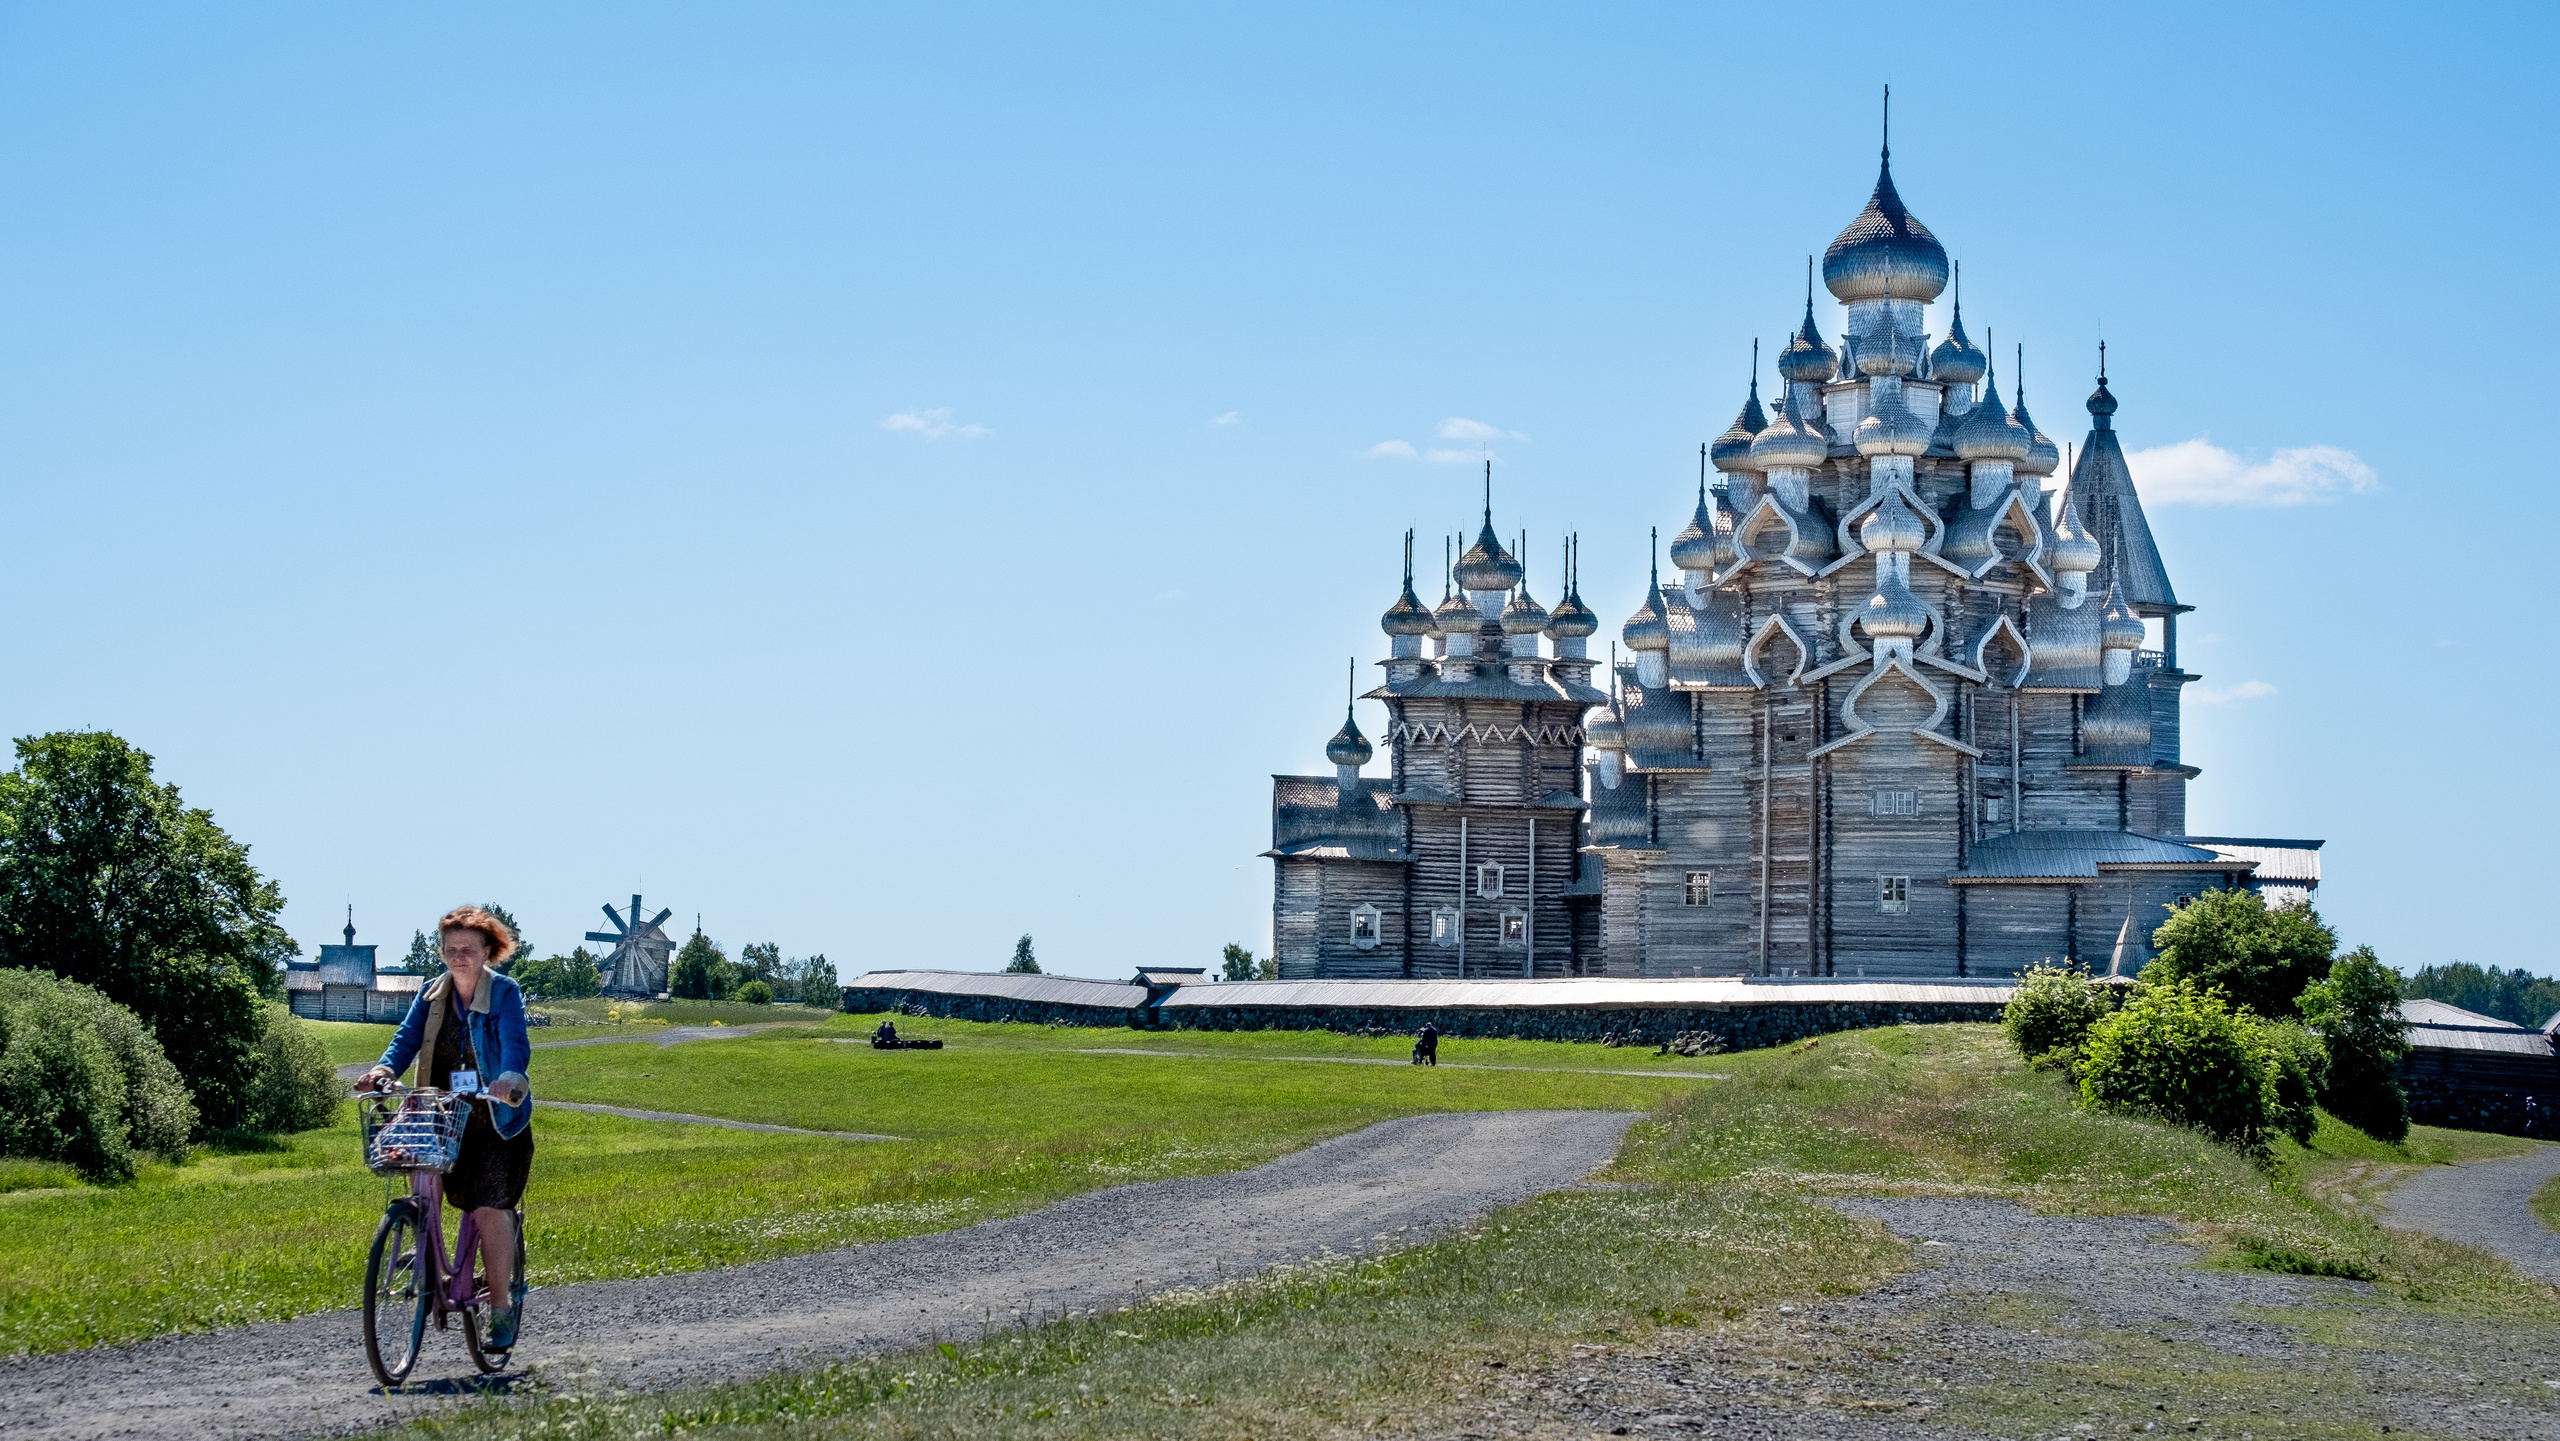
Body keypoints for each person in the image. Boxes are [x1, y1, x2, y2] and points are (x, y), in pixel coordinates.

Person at [360, 906, 535, 1350]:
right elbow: (405, 1039)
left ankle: (500, 1311)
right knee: (420, 1176)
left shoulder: (504, 993)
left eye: (467, 949)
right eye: (450, 949)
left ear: (487, 952)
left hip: (495, 1121)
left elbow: (515, 1046)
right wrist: (383, 1070)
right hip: (442, 1113)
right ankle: (425, 1255)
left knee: (488, 1209)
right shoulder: (431, 994)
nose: (458, 956)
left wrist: (509, 1079)